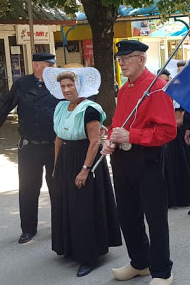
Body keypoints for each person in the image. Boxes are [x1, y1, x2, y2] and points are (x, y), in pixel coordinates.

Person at [102, 40, 176, 285]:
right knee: (127, 215)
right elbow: (118, 123)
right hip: (122, 160)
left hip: (147, 160)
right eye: (119, 59)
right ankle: (140, 262)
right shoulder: (125, 89)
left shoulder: (157, 88)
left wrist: (131, 136)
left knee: (154, 218)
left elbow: (167, 132)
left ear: (141, 59)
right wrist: (110, 138)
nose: (121, 63)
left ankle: (163, 271)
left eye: (126, 58)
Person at [0, 52, 59, 244]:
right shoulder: (22, 84)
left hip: (55, 146)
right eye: (43, 65)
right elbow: (3, 107)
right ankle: (28, 229)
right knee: (27, 190)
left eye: (50, 65)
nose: (47, 69)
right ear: (35, 65)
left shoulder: (59, 83)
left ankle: (60, 227)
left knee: (58, 189)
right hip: (29, 147)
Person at [43, 65, 122, 277]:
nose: (66, 89)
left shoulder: (90, 109)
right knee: (66, 204)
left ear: (79, 85)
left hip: (85, 157)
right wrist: (56, 166)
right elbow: (59, 137)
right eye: (63, 86)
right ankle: (71, 247)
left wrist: (85, 170)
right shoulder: (60, 107)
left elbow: (95, 141)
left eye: (70, 85)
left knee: (84, 207)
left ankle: (89, 255)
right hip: (66, 159)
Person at [162, 62, 190, 207]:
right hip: (167, 133)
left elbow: (180, 120)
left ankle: (183, 197)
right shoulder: (163, 93)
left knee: (180, 167)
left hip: (176, 134)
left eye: (165, 80)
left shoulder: (179, 93)